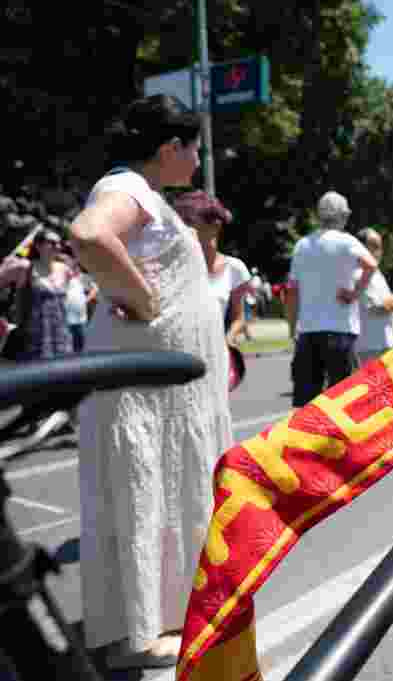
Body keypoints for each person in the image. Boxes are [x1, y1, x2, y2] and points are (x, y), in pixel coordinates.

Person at [68, 94, 234, 667]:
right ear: (171, 147)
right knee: (140, 493)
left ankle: (146, 620)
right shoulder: (129, 189)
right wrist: (142, 302)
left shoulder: (147, 194)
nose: (197, 160)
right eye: (194, 149)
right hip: (145, 389)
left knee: (156, 492)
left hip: (164, 395)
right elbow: (90, 235)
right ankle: (134, 638)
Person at [286, 191, 377, 408]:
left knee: (306, 405)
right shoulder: (347, 242)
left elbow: (292, 290)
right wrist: (355, 293)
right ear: (343, 217)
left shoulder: (302, 245)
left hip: (308, 332)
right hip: (340, 330)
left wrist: (292, 328)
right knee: (345, 403)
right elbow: (371, 264)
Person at [0, 230, 76, 442]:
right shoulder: (26, 268)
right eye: (52, 243)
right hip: (35, 334)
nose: (57, 246)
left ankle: (61, 419)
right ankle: (32, 420)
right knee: (36, 378)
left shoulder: (64, 269)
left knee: (65, 376)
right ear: (40, 245)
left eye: (59, 243)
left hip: (60, 332)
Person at [173, 190, 251, 348]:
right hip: (177, 355)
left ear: (215, 226)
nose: (181, 231)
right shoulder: (172, 266)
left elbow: (239, 319)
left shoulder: (235, 269)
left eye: (189, 223)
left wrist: (229, 338)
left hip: (215, 354)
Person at [354, 227, 393, 366]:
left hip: (385, 343)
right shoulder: (358, 274)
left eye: (380, 247)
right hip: (369, 346)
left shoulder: (376, 274)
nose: (379, 252)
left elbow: (388, 299)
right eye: (374, 247)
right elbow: (375, 307)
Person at [64, 256, 98, 353]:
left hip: (81, 316)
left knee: (80, 340)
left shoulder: (83, 278)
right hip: (68, 316)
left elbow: (95, 289)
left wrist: (85, 300)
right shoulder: (66, 278)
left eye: (72, 267)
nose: (70, 269)